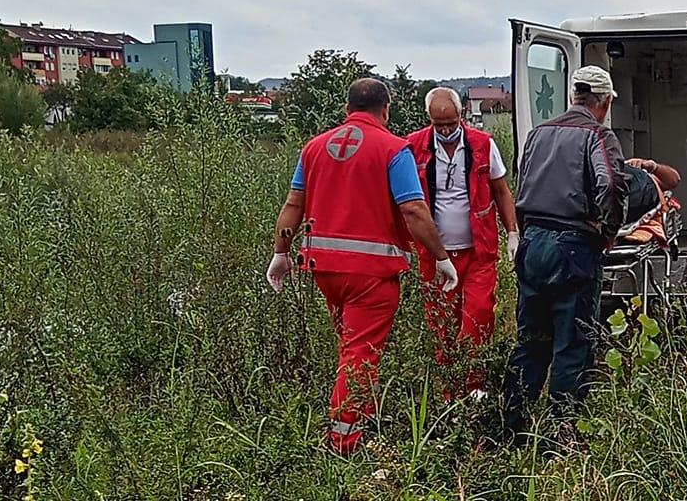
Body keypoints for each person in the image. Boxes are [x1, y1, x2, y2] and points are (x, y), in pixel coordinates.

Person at [266, 75, 455, 454]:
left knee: (350, 346)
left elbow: (292, 207)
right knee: (360, 354)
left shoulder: (314, 148)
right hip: (371, 275)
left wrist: (281, 254)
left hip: (325, 271)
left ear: (346, 109)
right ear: (386, 109)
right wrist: (441, 257)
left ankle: (362, 418)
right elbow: (414, 209)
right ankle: (343, 441)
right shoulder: (393, 149)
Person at [503, 64, 629, 435]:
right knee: (572, 344)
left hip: (533, 244)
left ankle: (513, 427)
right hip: (573, 248)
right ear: (603, 103)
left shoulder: (537, 134)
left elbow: (521, 186)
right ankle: (563, 433)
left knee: (531, 341)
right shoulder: (598, 136)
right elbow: (609, 186)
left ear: (574, 97)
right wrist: (608, 230)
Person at [406, 85, 519, 400]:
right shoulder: (412, 147)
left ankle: (475, 387)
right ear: (429, 119)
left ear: (462, 116)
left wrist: (512, 231)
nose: (445, 131)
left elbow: (501, 191)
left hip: (478, 251)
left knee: (478, 317)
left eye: (451, 124)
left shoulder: (483, 145)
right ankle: (449, 393)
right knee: (442, 323)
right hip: (435, 255)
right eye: (438, 126)